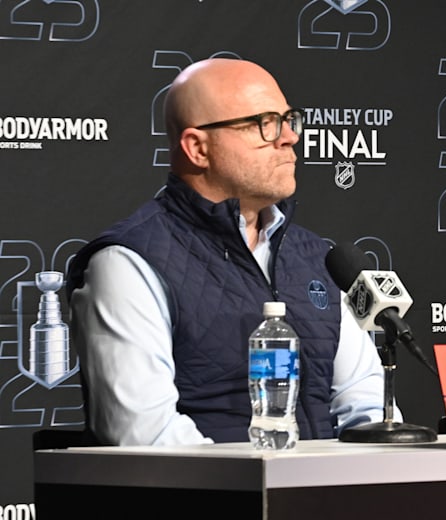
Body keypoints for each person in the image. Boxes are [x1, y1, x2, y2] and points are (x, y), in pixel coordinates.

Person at [66, 58, 393, 446]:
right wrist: (268, 489)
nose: (289, 137)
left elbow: (365, 406)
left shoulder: (317, 259)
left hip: (322, 499)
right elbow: (146, 434)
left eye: (289, 120)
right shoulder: (129, 264)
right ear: (197, 148)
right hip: (208, 502)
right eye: (263, 124)